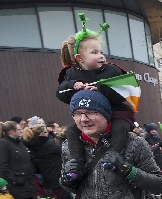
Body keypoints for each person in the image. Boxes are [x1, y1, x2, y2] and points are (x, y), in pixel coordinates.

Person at [57, 13, 133, 181]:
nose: (101, 56)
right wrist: (73, 85)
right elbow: (60, 93)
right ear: (80, 58)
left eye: (101, 52)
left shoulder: (112, 70)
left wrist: (101, 88)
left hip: (116, 113)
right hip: (90, 116)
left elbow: (126, 91)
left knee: (120, 127)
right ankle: (77, 163)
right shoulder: (71, 74)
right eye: (95, 52)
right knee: (71, 130)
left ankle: (113, 157)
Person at [23, 124, 63, 191]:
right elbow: (62, 150)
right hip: (56, 175)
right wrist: (53, 136)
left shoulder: (33, 145)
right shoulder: (48, 145)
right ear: (41, 134)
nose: (48, 133)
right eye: (46, 132)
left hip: (47, 174)